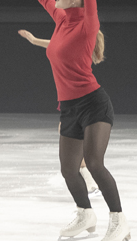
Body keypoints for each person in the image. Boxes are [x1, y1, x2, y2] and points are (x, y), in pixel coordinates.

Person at [0, 0, 131, 241]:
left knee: (95, 164)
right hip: (70, 107)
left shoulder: (86, 24)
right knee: (69, 169)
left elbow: (92, 10)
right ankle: (85, 214)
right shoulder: (60, 18)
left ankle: (119, 220)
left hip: (94, 104)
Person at [19, 28, 105, 196]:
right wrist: (35, 40)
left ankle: (90, 182)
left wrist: (36, 41)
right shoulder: (78, 46)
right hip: (75, 98)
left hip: (79, 98)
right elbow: (57, 45)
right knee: (69, 136)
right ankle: (89, 179)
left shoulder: (79, 47)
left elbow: (58, 46)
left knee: (73, 139)